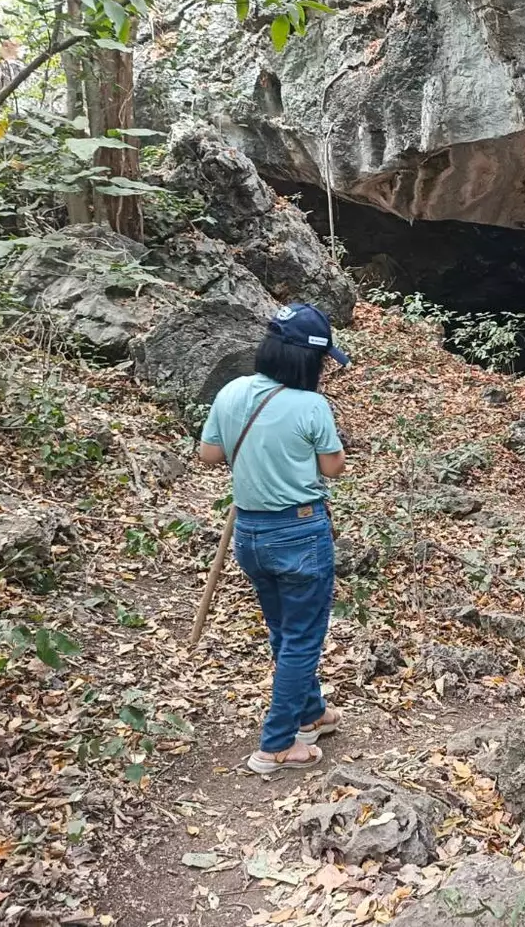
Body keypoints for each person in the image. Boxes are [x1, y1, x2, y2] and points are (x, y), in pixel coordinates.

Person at [197, 303, 349, 773]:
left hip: (250, 534)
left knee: (285, 631)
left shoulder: (232, 391)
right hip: (300, 532)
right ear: (307, 360)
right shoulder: (311, 405)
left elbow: (208, 455)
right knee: (302, 638)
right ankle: (278, 744)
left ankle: (312, 713)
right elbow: (333, 468)